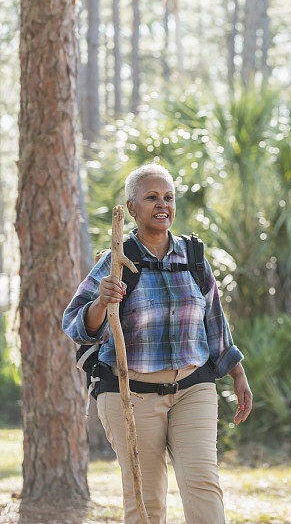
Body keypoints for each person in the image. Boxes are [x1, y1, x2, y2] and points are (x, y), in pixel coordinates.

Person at [63, 163, 252, 524]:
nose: (162, 204)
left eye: (168, 197)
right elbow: (75, 324)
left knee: (203, 487)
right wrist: (101, 303)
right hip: (130, 394)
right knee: (145, 500)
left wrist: (238, 375)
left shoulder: (193, 259)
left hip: (193, 388)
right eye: (151, 197)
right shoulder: (115, 261)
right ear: (132, 207)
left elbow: (214, 321)